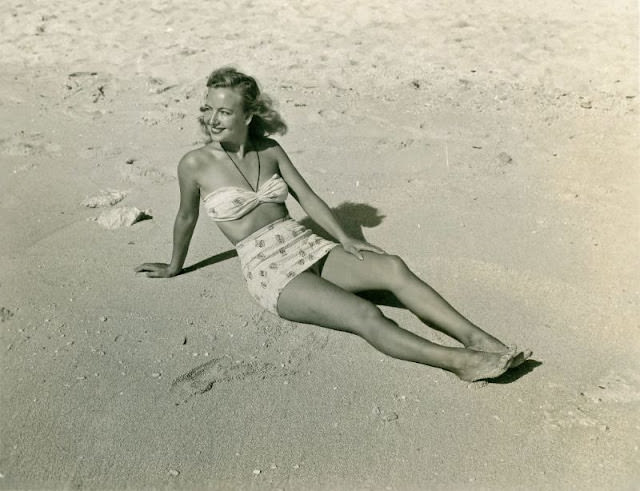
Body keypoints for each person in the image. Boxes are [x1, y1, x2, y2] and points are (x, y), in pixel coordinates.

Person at [135, 67, 531, 382]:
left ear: (248, 115)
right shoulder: (195, 164)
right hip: (268, 270)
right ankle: (461, 362)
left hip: (304, 243)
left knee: (391, 266)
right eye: (207, 109)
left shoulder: (270, 150)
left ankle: (479, 339)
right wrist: (174, 266)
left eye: (223, 111)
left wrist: (345, 238)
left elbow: (307, 198)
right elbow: (186, 217)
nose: (211, 119)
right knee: (365, 315)